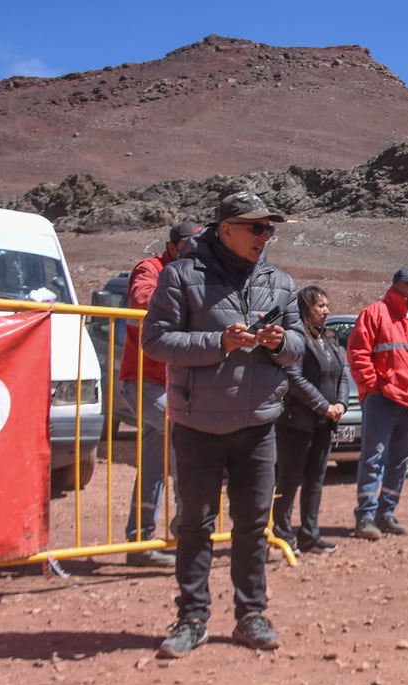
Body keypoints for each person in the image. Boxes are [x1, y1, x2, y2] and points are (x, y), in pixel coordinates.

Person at [142, 191, 303, 658]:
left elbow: (296, 346)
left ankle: (250, 615)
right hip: (198, 424)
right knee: (195, 523)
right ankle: (192, 618)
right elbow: (156, 340)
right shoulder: (181, 275)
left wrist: (278, 343)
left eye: (269, 228)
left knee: (253, 525)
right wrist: (220, 342)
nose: (265, 236)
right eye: (256, 227)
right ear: (227, 227)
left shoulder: (279, 281)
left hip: (258, 425)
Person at [118, 219, 201, 567]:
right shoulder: (150, 268)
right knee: (185, 434)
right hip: (143, 381)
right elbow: (142, 300)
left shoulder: (194, 273)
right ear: (174, 246)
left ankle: (139, 541)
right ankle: (187, 524)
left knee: (154, 463)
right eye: (190, 247)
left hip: (172, 382)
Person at [346, 267, 408, 540]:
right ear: (396, 285)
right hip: (382, 399)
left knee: (400, 461)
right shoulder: (375, 313)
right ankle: (365, 517)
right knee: (373, 458)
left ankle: (386, 514)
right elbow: (358, 352)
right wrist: (373, 385)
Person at [271, 286, 349, 556]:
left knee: (316, 479)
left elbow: (341, 375)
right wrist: (323, 406)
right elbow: (294, 378)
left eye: (327, 305)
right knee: (289, 479)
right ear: (306, 309)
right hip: (297, 422)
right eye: (320, 306)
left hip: (324, 424)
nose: (326, 310)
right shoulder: (297, 339)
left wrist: (340, 404)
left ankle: (309, 535)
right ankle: (281, 535)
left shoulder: (329, 337)